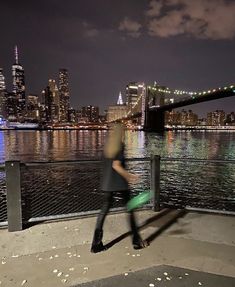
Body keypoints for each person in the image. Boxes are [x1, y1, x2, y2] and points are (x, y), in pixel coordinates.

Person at [91, 123, 148, 253]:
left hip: (106, 184)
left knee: (103, 212)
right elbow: (116, 166)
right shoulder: (119, 145)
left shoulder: (107, 146)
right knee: (130, 210)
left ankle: (96, 244)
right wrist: (129, 176)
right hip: (120, 183)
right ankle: (137, 242)